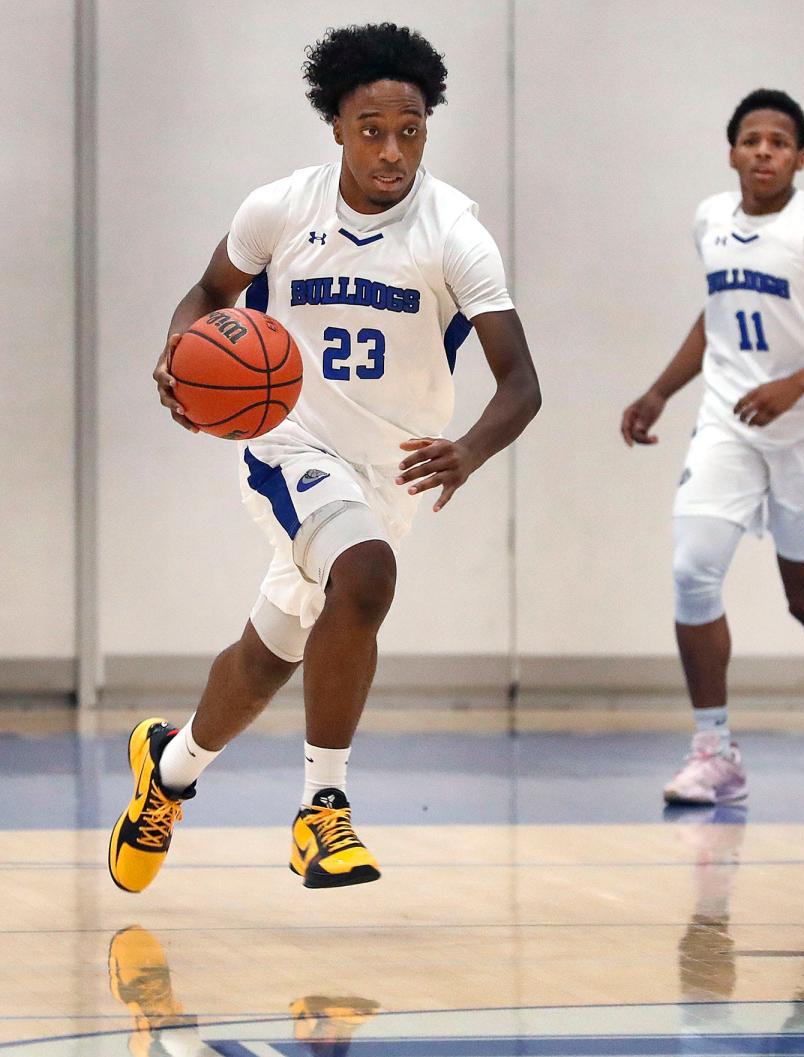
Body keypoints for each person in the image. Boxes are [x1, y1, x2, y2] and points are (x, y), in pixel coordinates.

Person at [108, 22, 540, 893]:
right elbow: (208, 292)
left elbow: (522, 382)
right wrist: (178, 348)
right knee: (368, 579)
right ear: (336, 125)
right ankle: (324, 811)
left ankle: (172, 765)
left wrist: (469, 449)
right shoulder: (279, 209)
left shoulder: (456, 235)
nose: (392, 150)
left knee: (272, 654)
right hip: (287, 441)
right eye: (372, 129)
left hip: (388, 469)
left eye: (410, 130)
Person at [620, 89, 804, 806]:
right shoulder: (711, 219)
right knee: (693, 571)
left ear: (799, 158)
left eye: (779, 142)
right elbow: (718, 315)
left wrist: (799, 383)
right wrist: (660, 390)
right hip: (728, 422)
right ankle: (714, 751)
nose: (764, 151)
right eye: (752, 139)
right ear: (732, 152)